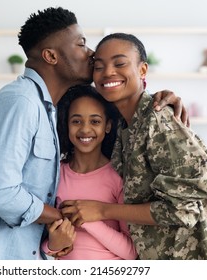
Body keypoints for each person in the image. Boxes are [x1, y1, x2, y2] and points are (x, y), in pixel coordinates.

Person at [0, 7, 187, 260]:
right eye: (81, 44)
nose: (92, 53)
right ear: (51, 56)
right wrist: (65, 215)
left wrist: (154, 100)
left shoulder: (47, 109)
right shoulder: (20, 102)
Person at [60, 33, 207, 260]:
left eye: (120, 63)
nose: (108, 72)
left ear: (143, 70)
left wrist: (102, 210)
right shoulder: (124, 127)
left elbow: (184, 207)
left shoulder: (158, 120)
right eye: (99, 66)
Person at [41, 85, 137, 260]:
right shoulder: (55, 174)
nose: (85, 129)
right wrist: (53, 245)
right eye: (76, 121)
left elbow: (131, 253)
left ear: (107, 126)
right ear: (66, 124)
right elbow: (45, 244)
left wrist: (88, 220)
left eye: (95, 121)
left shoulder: (118, 178)